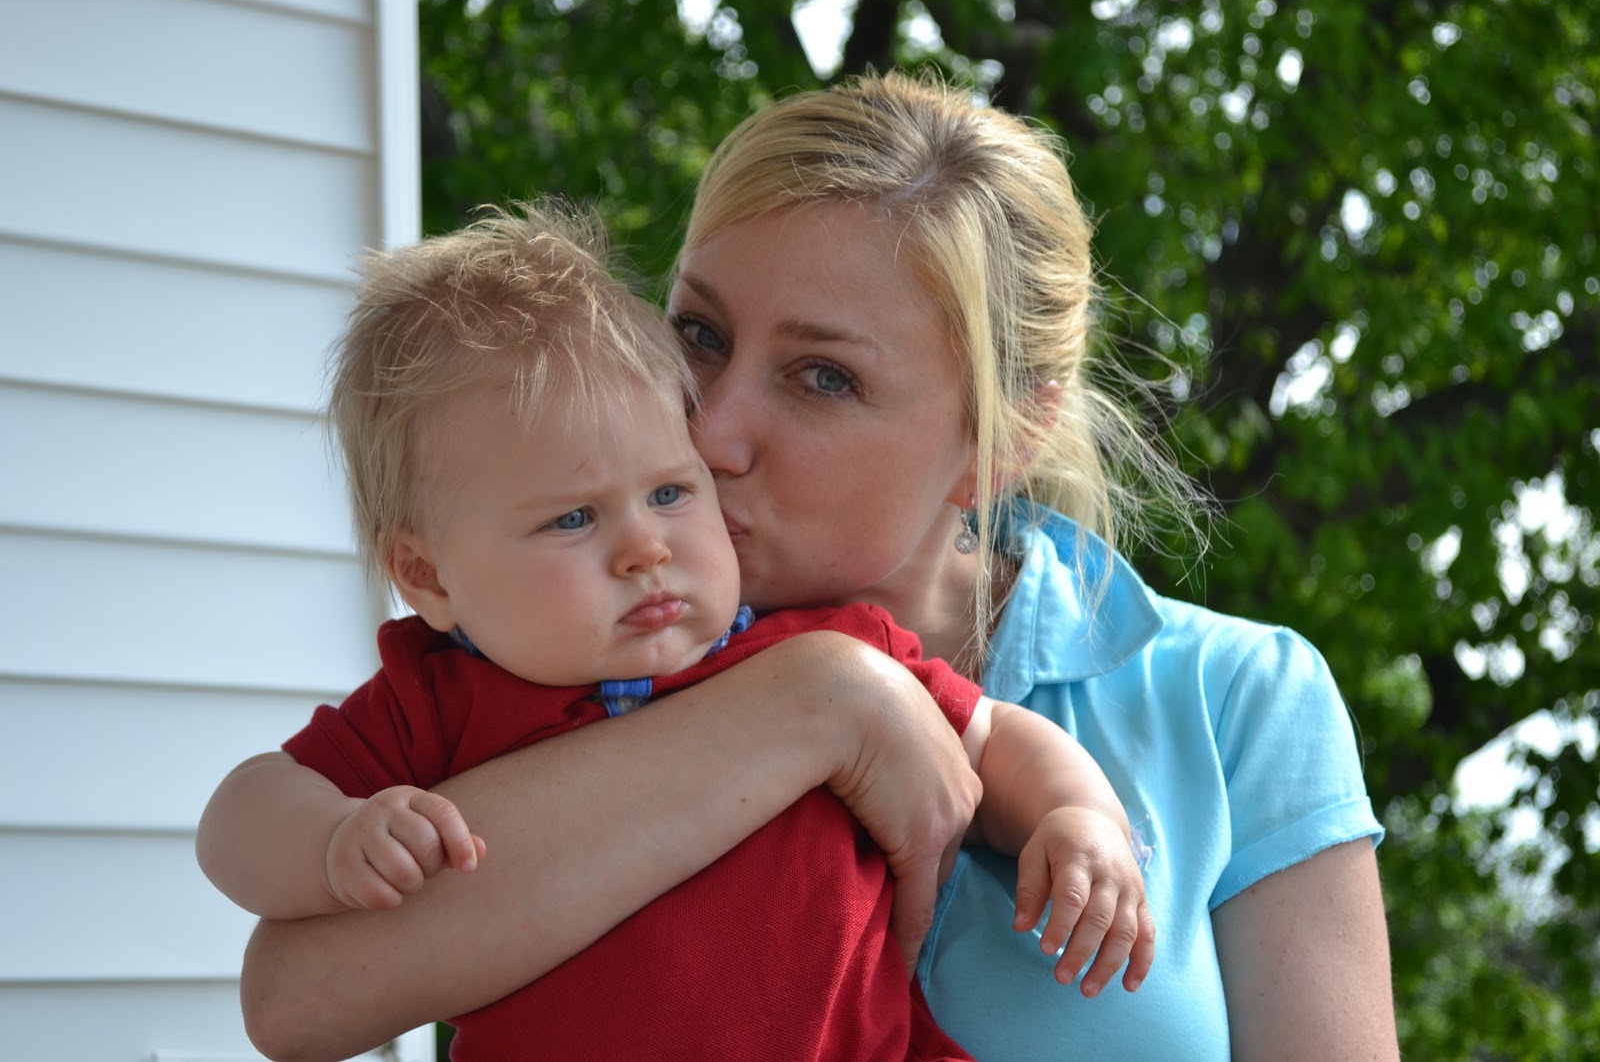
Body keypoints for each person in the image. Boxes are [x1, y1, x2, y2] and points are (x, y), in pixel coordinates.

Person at [232, 71, 1399, 1062]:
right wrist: (820, 699)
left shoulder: (1238, 700)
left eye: (823, 376)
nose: (713, 425)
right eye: (699, 333)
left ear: (1001, 439)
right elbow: (292, 998)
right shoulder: (557, 646)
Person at [196, 201, 1154, 1060]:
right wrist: (331, 840)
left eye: (669, 492)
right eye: (573, 518)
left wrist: (1080, 819)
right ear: (427, 575)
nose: (645, 549)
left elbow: (1000, 741)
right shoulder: (436, 699)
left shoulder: (822, 643)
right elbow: (240, 813)